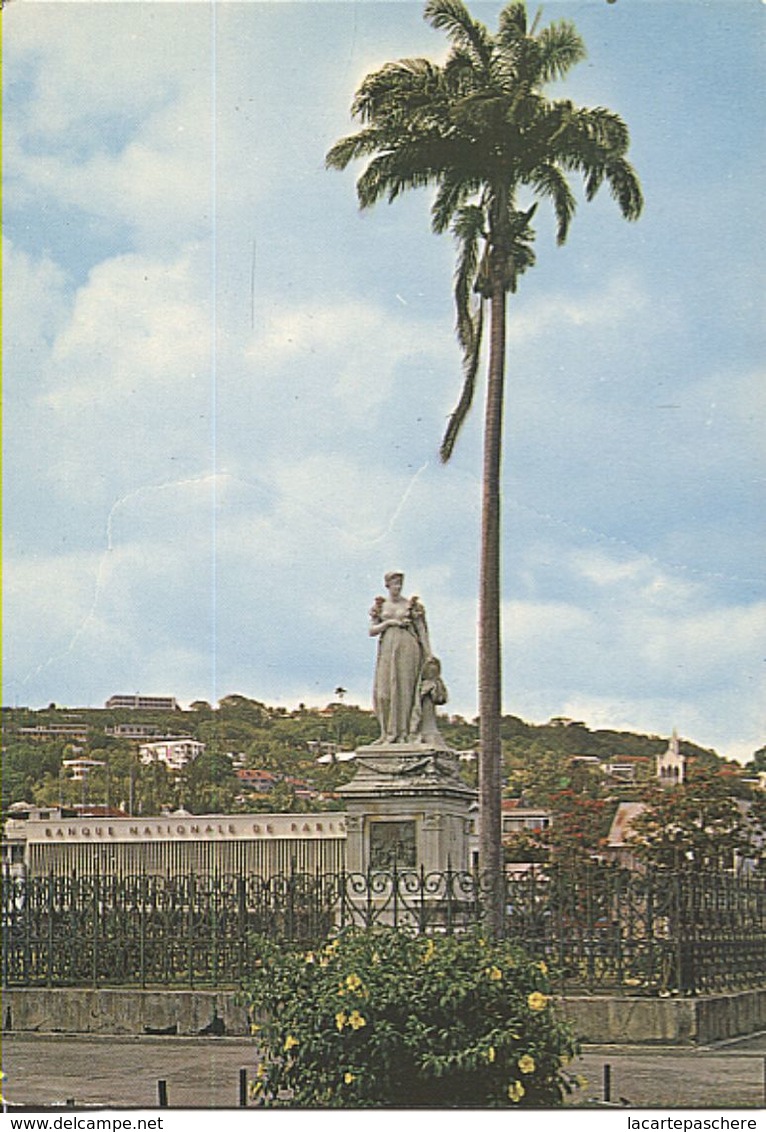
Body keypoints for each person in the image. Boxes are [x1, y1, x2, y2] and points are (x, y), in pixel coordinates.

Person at [369, 571, 431, 744]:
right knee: (384, 693)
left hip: (408, 647)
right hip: (387, 648)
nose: (397, 587)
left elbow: (422, 630)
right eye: (394, 583)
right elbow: (371, 631)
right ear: (387, 585)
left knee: (404, 691)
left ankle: (404, 733)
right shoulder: (381, 606)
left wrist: (428, 654)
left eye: (400, 584)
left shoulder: (411, 605)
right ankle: (387, 733)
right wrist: (389, 623)